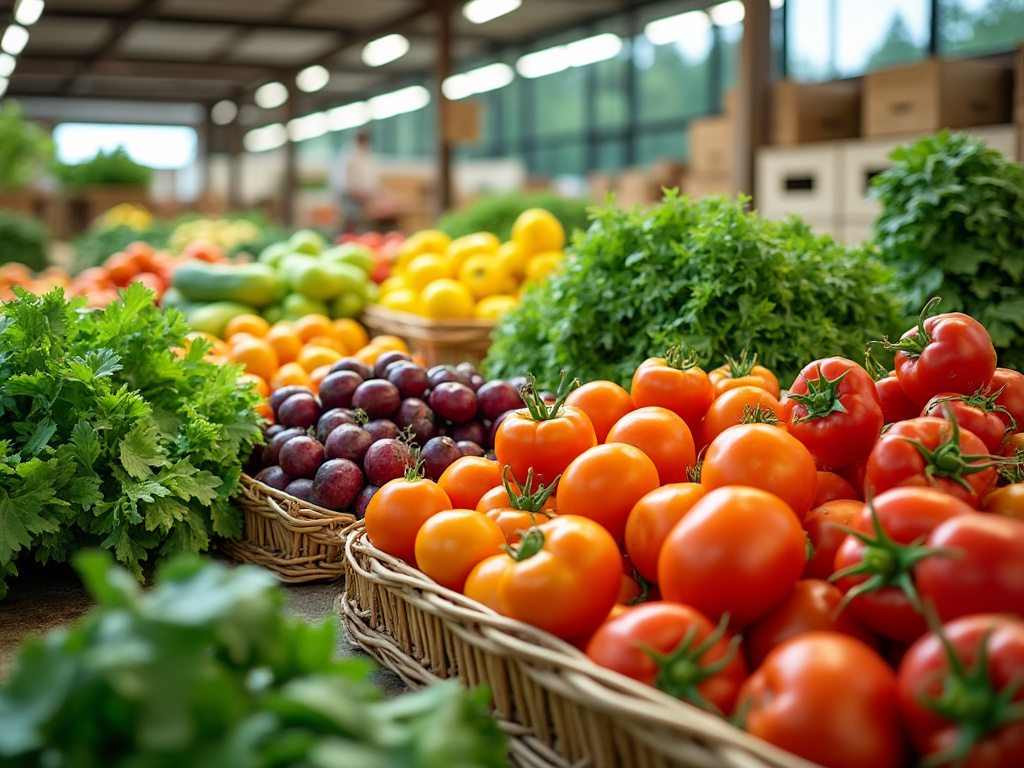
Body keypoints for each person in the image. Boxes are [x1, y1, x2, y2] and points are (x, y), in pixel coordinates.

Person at [334, 131, 381, 233]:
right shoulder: (348, 155)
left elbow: (372, 179)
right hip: (350, 197)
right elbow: (344, 181)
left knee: (364, 224)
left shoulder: (367, 155)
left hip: (365, 197)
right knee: (352, 223)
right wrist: (358, 194)